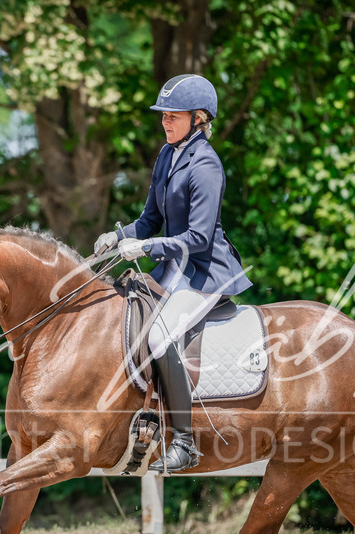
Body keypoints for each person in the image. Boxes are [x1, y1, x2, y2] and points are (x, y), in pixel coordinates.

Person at [94, 73, 252, 472]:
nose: (165, 121)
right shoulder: (167, 156)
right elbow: (149, 220)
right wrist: (118, 237)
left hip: (205, 272)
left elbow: (198, 238)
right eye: (163, 114)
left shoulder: (206, 166)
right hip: (174, 267)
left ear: (199, 118)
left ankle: (184, 442)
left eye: (174, 115)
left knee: (161, 336)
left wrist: (145, 247)